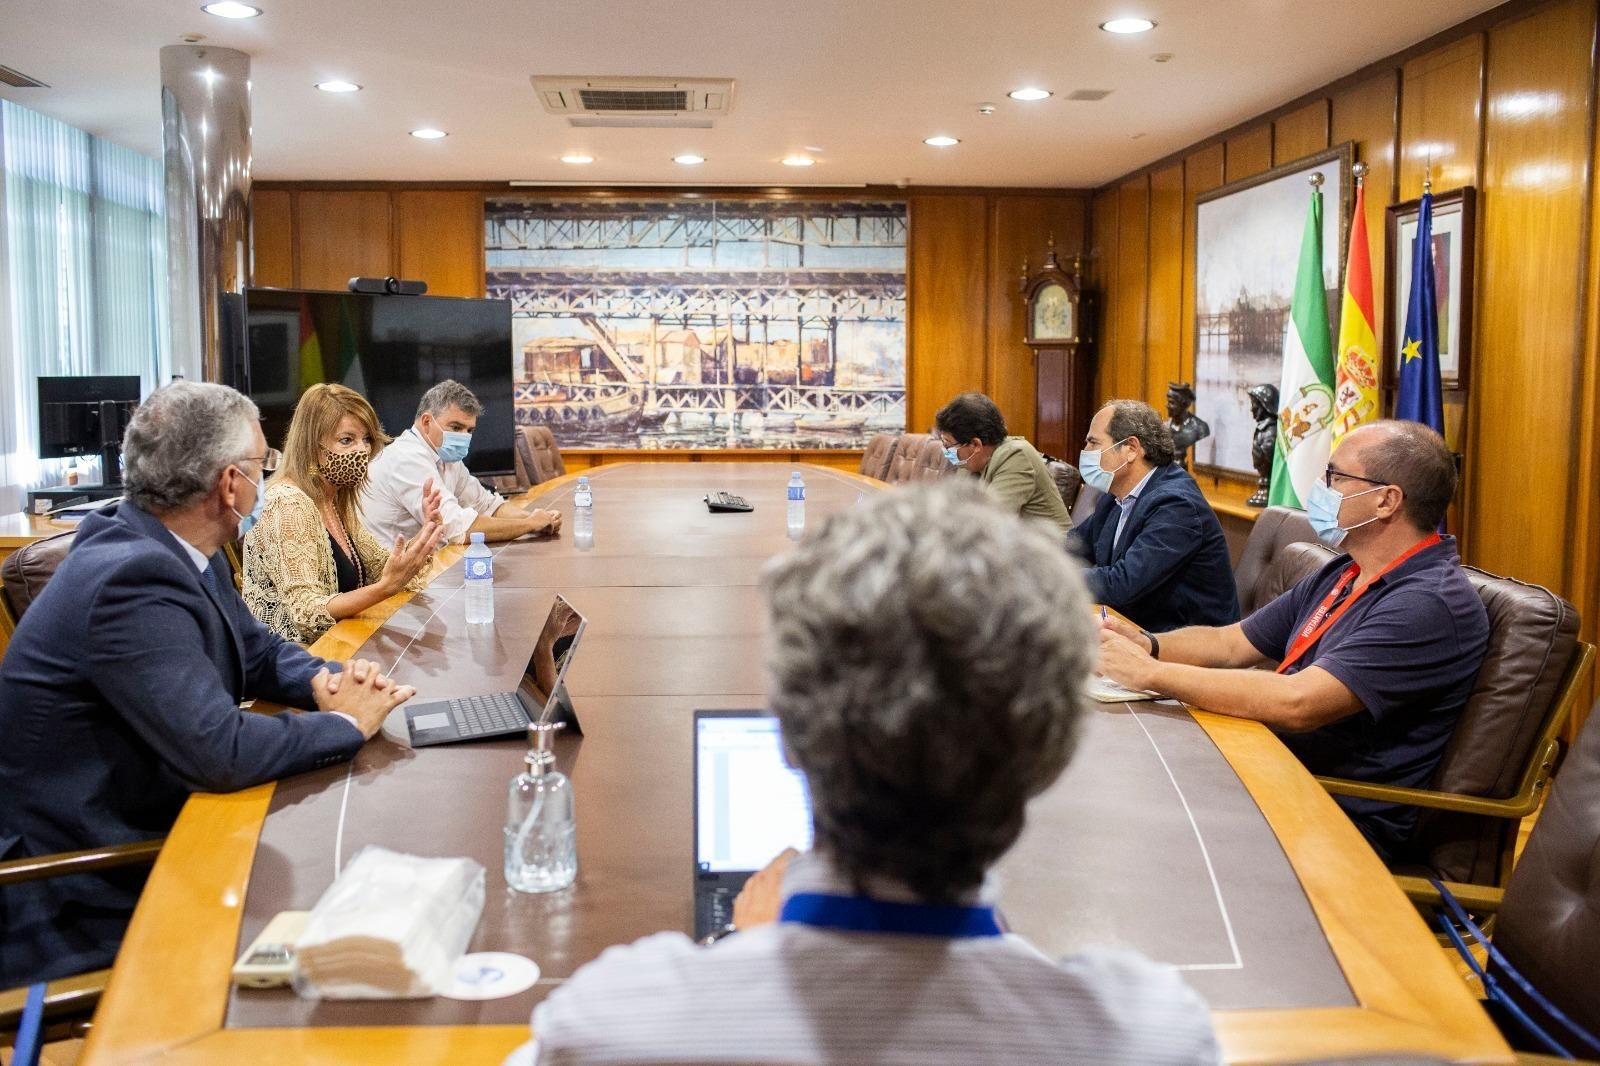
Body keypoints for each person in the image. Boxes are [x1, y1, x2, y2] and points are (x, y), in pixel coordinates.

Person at [521, 480, 1218, 1065]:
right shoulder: (1150, 1036)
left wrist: (746, 948)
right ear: (1051, 756)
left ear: (789, 740)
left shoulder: (613, 1026)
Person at [0, 382, 416, 986]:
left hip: (154, 825)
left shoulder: (180, 547)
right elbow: (218, 751)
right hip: (81, 886)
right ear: (229, 485)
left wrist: (332, 680)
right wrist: (346, 723)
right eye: (260, 466)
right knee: (337, 894)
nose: (265, 478)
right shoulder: (131, 579)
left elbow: (260, 652)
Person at [1097, 420, 1489, 861]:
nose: (1321, 489)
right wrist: (1147, 643)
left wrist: (1154, 674)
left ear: (1386, 500)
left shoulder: (1428, 603)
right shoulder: (1345, 571)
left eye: (1335, 477)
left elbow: (1299, 702)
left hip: (1335, 815)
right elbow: (1232, 643)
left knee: (1129, 825)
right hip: (1272, 772)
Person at [243, 383, 443, 644]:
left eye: (367, 439)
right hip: (295, 660)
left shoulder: (334, 498)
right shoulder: (287, 503)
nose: (362, 450)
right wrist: (384, 589)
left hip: (339, 643)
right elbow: (306, 612)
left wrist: (424, 536)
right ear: (312, 446)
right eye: (346, 440)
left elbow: (379, 569)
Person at [1070, 400, 1239, 632]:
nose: (1085, 451)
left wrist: (1052, 577)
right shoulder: (1115, 494)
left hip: (1186, 648)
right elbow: (1075, 544)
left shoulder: (1177, 505)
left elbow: (1124, 583)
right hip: (1136, 628)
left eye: (1093, 443)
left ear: (1130, 448)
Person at [360, 379, 561, 545]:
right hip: (391, 580)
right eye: (456, 427)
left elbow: (487, 504)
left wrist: (537, 519)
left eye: (469, 430)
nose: (464, 437)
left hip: (426, 565)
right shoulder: (406, 458)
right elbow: (458, 529)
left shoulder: (446, 457)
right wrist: (530, 524)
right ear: (427, 422)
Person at [934, 391, 1071, 534]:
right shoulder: (970, 462)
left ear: (975, 445)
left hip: (1048, 551)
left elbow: (989, 523)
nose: (946, 451)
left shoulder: (1017, 456)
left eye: (948, 445)